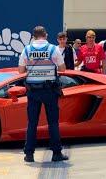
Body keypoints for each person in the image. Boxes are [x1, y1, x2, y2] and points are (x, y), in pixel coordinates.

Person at [18, 26, 68, 162]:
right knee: (53, 123)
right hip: (49, 90)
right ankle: (56, 153)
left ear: (33, 36)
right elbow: (62, 68)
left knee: (32, 123)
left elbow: (21, 71)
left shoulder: (27, 49)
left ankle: (29, 154)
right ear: (45, 35)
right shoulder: (53, 49)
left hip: (33, 91)